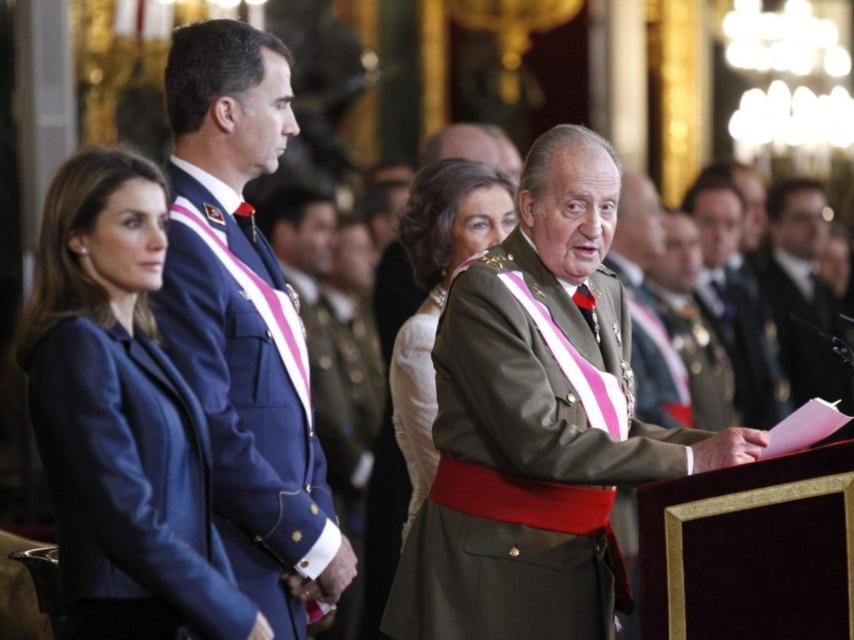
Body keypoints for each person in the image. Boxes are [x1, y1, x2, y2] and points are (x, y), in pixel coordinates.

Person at [381, 125, 769, 640]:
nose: (595, 227)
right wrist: (694, 461)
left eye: (608, 208)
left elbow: (615, 424)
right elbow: (538, 441)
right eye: (574, 207)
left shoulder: (605, 288)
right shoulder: (485, 291)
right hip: (495, 573)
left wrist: (727, 448)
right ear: (529, 208)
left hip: (576, 555)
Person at [15, 147, 271, 640]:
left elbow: (192, 500)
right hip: (122, 618)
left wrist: (231, 605)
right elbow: (125, 516)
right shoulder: (75, 345)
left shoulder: (140, 346)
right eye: (133, 223)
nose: (158, 241)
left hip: (173, 612)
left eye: (161, 222)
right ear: (78, 239)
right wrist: (234, 616)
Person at [153, 20, 356, 640]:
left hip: (274, 557)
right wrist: (309, 538)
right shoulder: (177, 237)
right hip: (227, 558)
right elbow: (210, 419)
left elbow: (293, 404)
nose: (293, 125)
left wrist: (315, 528)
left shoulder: (242, 230)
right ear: (226, 112)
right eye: (281, 103)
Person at [391, 158, 517, 541]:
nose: (502, 239)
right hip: (461, 550)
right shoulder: (422, 338)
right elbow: (454, 476)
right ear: (441, 241)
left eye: (510, 222)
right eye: (480, 225)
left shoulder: (520, 316)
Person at [684, 174, 791, 428]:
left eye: (731, 225)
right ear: (686, 222)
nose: (720, 235)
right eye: (708, 223)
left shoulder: (741, 290)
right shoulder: (675, 294)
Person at [761, 179, 854, 440]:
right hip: (794, 441)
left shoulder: (822, 286)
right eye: (802, 218)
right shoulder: (763, 288)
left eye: (822, 216)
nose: (816, 227)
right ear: (776, 227)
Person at [646, 212, 737, 431]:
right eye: (674, 245)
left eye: (694, 244)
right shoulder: (648, 318)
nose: (688, 256)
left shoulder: (696, 309)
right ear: (653, 249)